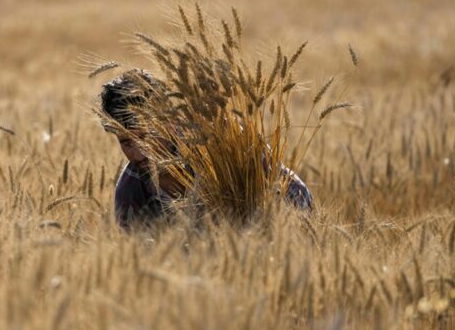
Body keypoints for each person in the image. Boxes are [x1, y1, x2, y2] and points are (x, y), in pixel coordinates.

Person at [98, 69, 313, 230]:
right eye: (126, 142)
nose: (137, 153)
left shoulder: (222, 146)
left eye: (145, 136)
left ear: (169, 121)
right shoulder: (130, 194)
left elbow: (288, 193)